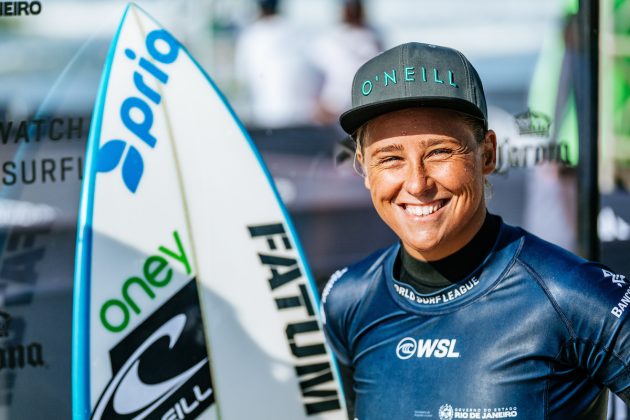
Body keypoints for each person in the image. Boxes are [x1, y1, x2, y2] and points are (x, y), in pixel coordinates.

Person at [321, 42, 630, 419]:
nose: (417, 183)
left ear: (487, 155)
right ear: (364, 168)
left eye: (439, 152)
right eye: (390, 158)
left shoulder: (574, 297)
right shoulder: (347, 299)